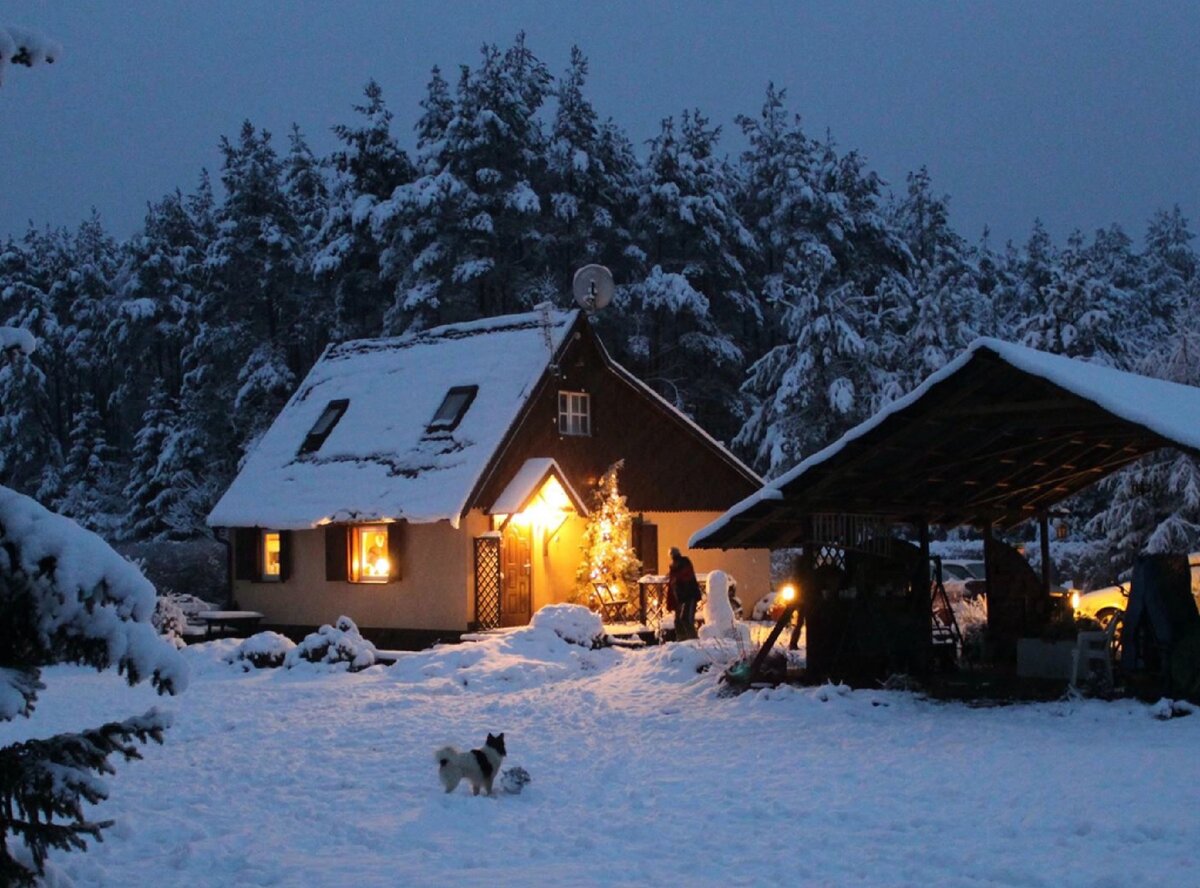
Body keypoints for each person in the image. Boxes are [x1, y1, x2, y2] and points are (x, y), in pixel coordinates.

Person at [668, 546, 702, 641]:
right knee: (679, 621)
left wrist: (676, 579)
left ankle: (693, 641)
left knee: (686, 619)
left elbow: (685, 578)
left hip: (689, 596)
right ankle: (682, 641)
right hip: (680, 598)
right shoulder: (675, 566)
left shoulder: (684, 563)